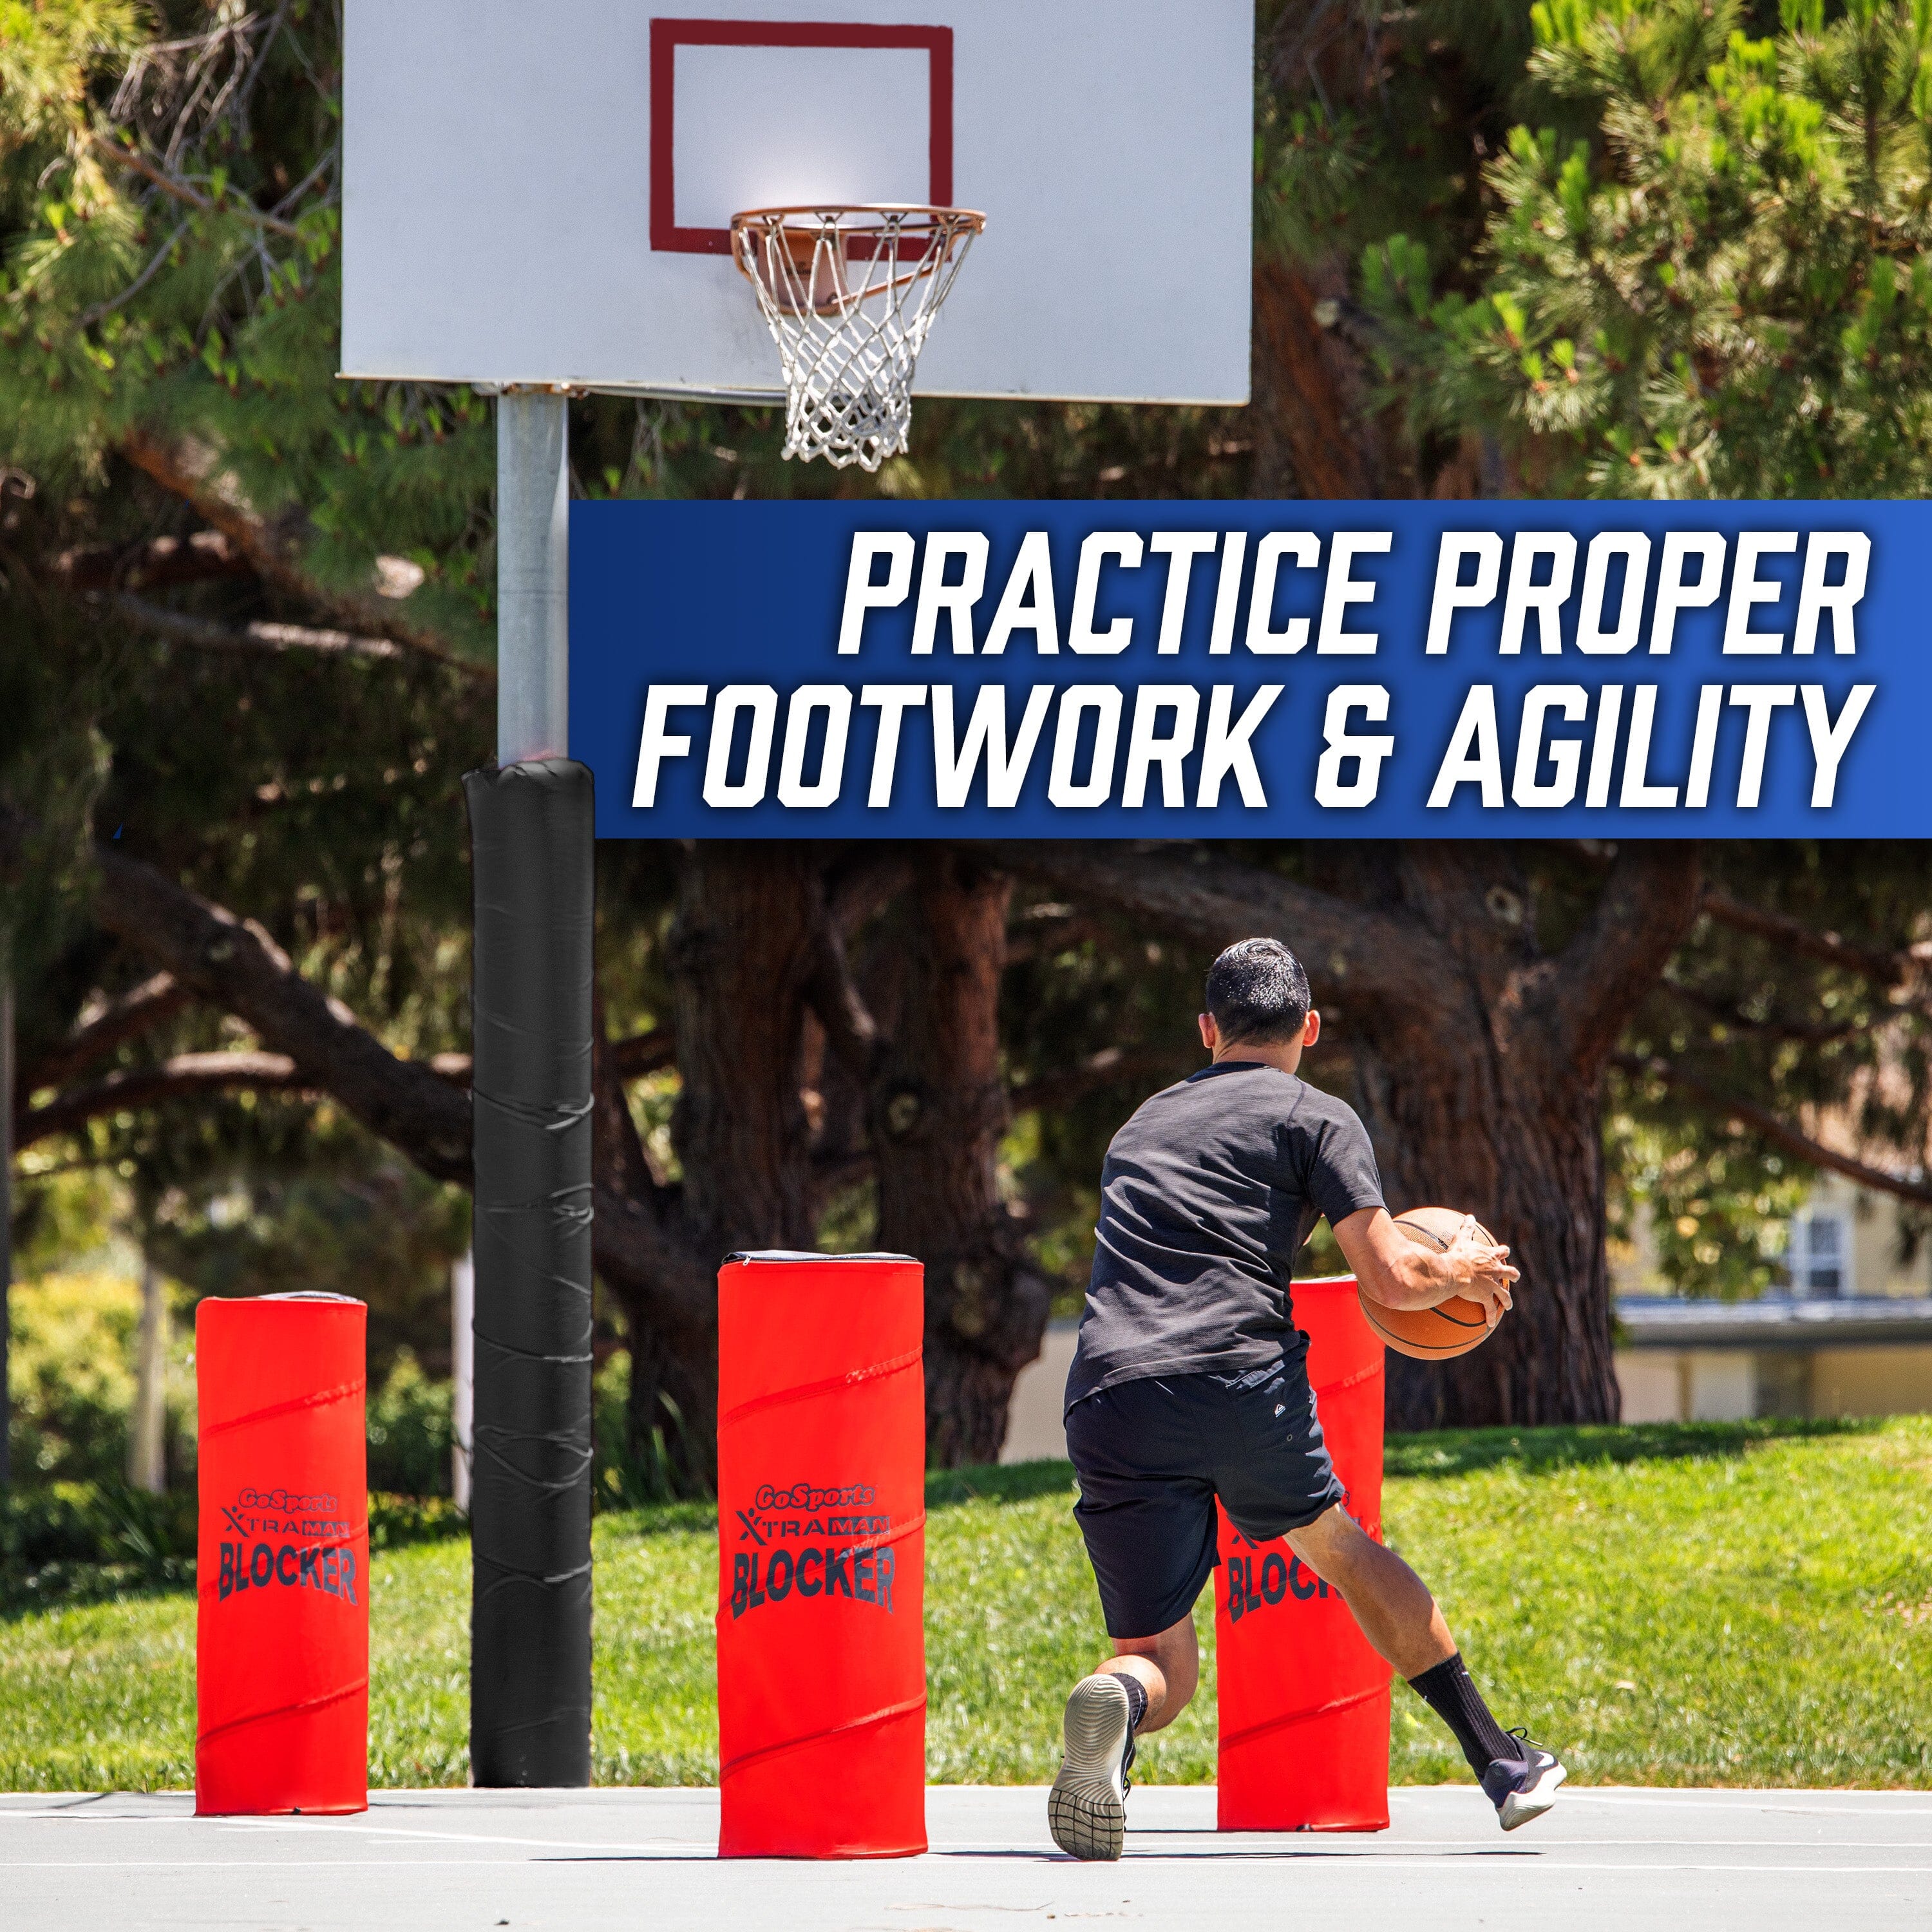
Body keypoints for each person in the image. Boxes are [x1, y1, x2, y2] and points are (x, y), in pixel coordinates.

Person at [1047, 937, 1566, 1862]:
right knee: (1342, 1551)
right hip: (1238, 1377)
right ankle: (1501, 1763)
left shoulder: (1143, 1124)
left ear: (1208, 1029)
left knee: (1161, 1658)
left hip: (1109, 1392)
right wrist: (1458, 1267)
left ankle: (1116, 1702)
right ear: (1310, 1029)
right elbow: (1394, 1277)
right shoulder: (1316, 1116)